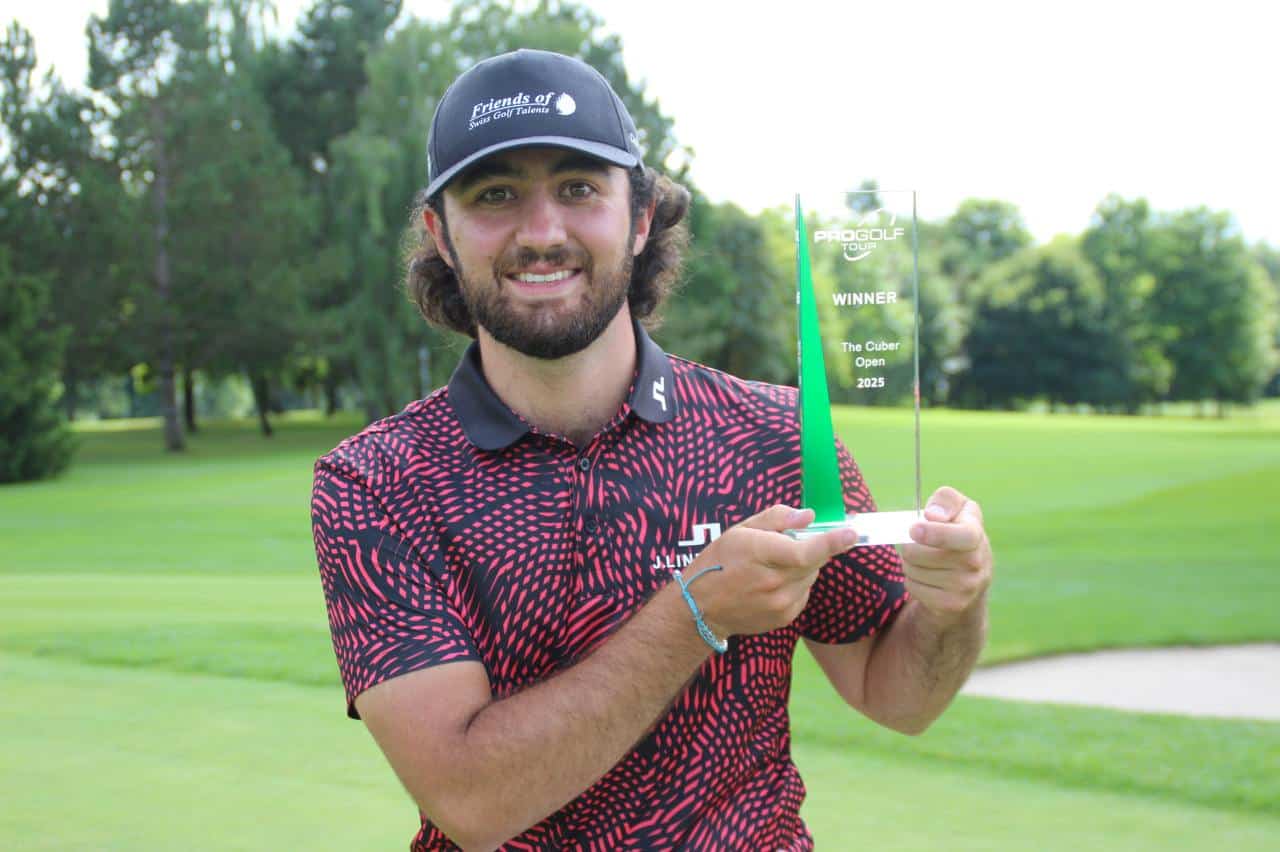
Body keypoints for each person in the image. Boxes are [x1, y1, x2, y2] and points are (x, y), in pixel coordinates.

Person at [311, 48, 993, 851]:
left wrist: (956, 604)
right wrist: (695, 612)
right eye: (495, 195)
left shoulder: (773, 435)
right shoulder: (377, 482)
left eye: (578, 189)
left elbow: (900, 695)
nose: (542, 232)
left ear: (639, 218)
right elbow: (472, 801)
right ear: (442, 234)